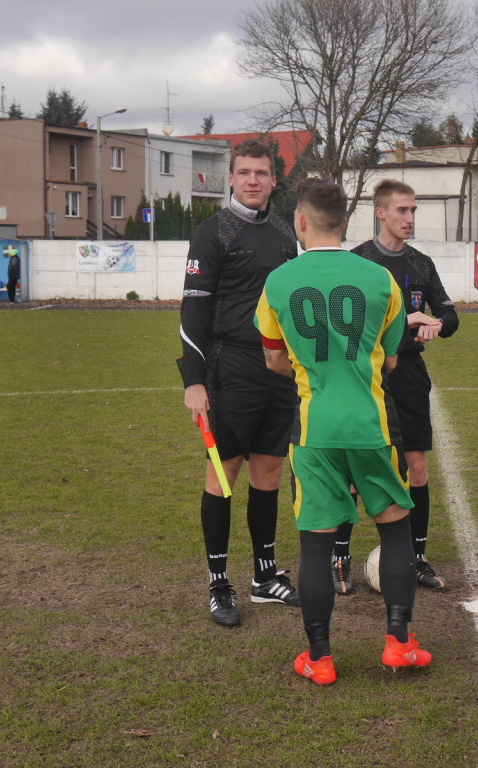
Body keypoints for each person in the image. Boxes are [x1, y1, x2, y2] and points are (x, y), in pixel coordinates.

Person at [255, 177, 431, 686]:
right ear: (348, 222)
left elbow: (272, 358)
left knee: (315, 542)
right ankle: (398, 643)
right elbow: (393, 359)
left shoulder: (278, 282)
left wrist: (314, 373)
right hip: (371, 424)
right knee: (395, 524)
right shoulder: (380, 280)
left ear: (301, 221)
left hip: (314, 428)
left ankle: (320, 657)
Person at [178, 138, 300, 628]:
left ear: (274, 180)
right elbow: (193, 311)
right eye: (244, 172)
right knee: (222, 479)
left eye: (262, 173)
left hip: (278, 371)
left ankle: (264, 576)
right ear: (230, 178)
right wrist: (194, 381)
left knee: (267, 475)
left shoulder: (284, 233)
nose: (253, 180)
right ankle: (218, 584)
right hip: (228, 372)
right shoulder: (212, 233)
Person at [329, 179, 459, 594]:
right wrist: (408, 324)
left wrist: (436, 324)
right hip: (364, 379)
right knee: (353, 473)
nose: (410, 218)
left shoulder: (421, 264)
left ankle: (416, 558)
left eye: (414, 210)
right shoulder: (355, 262)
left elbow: (450, 316)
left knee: (416, 469)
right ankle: (339, 558)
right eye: (402, 210)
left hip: (410, 379)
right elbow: (345, 329)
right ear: (379, 213)